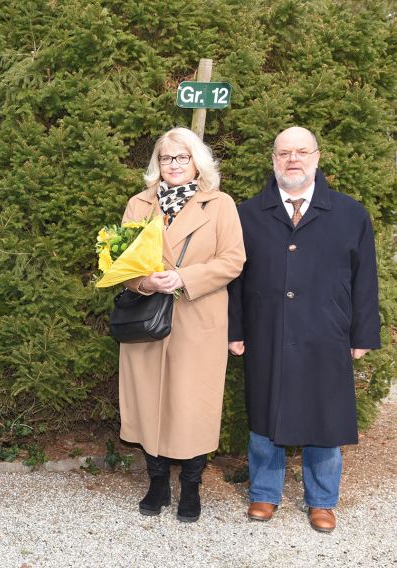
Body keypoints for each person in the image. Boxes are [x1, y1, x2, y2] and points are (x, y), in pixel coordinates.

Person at [228, 127, 380, 533]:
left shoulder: (350, 214)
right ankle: (263, 492)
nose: (292, 159)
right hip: (266, 331)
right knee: (264, 411)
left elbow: (365, 278)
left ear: (317, 157)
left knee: (325, 414)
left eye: (300, 151)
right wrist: (234, 329)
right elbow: (235, 280)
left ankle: (322, 499)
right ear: (273, 160)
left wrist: (363, 335)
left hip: (326, 332)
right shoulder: (246, 215)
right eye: (283, 153)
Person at [119, 127, 245, 522]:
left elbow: (233, 260)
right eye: (165, 158)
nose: (173, 165)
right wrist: (144, 281)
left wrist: (185, 278)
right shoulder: (139, 204)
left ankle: (191, 485)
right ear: (156, 163)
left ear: (197, 163)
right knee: (147, 401)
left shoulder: (220, 204)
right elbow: (119, 262)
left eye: (181, 157)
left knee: (194, 405)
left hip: (198, 317)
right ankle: (157, 482)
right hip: (147, 319)